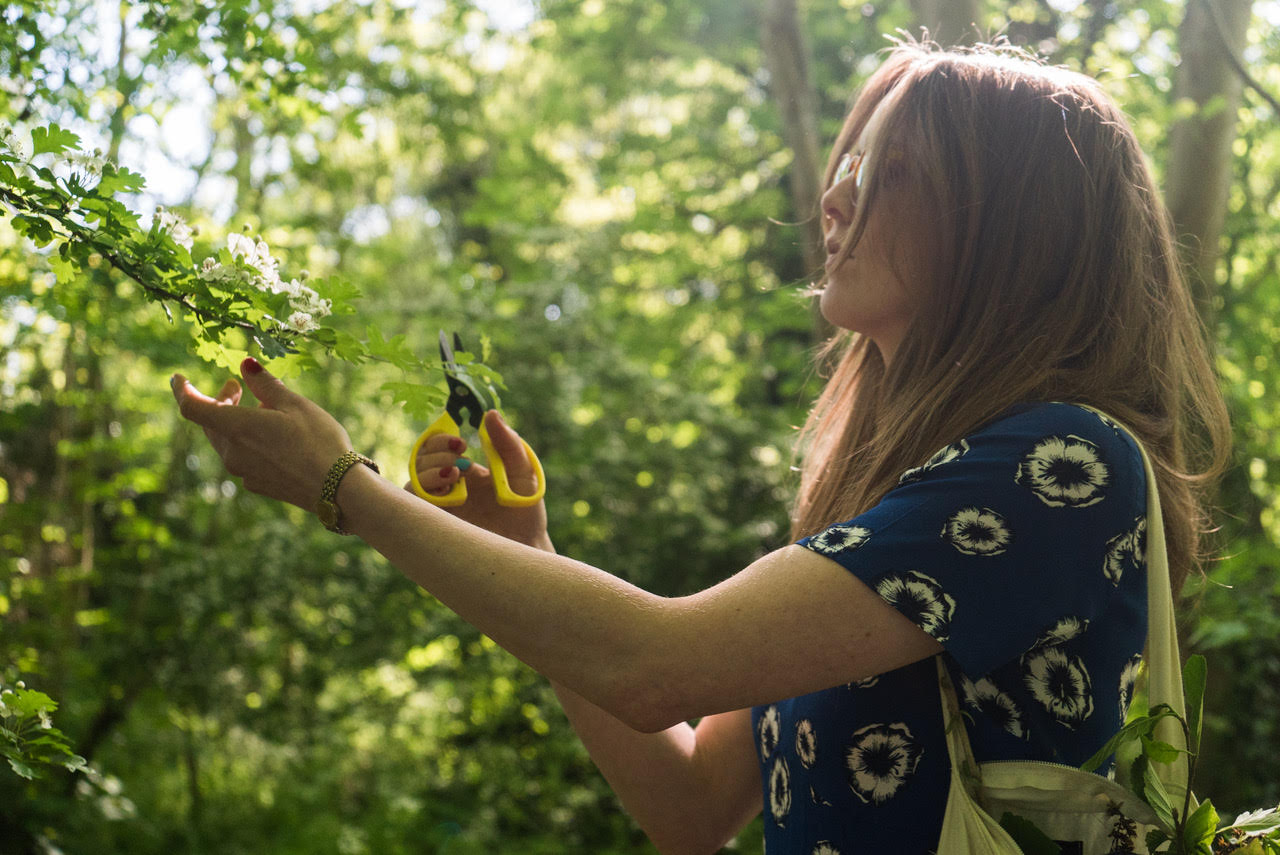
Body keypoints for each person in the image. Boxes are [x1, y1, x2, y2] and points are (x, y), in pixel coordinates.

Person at [172, 39, 1230, 855]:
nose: (836, 195)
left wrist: (340, 487)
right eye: (850, 161)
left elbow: (652, 665)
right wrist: (524, 545)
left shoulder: (1058, 467)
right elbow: (690, 804)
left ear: (1013, 225)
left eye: (893, 170)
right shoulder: (896, 505)